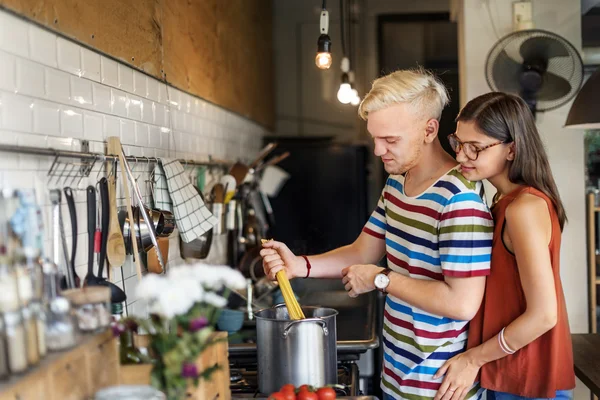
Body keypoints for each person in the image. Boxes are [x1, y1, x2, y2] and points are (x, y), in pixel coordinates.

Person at [260, 68, 494, 399]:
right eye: (374, 137)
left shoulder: (459, 199)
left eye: (390, 140)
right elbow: (362, 252)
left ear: (429, 130)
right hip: (397, 373)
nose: (377, 150)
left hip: (438, 386)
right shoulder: (398, 183)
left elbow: (462, 303)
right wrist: (300, 265)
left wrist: (381, 279)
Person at [432, 92, 575, 400]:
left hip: (528, 381)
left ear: (512, 149)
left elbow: (544, 315)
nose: (460, 157)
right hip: (507, 374)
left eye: (476, 148)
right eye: (458, 143)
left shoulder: (523, 209)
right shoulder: (501, 200)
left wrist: (472, 359)